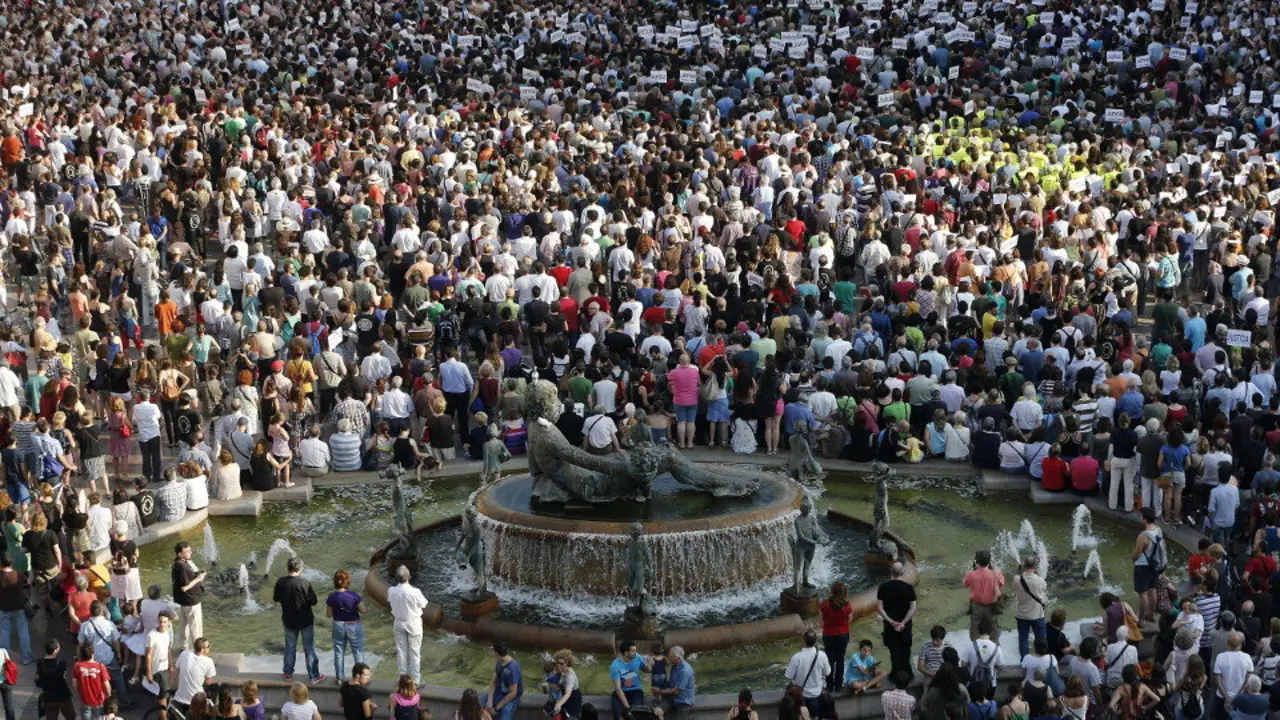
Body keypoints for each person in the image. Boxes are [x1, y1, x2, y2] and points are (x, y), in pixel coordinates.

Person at [273, 558, 323, 684]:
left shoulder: (280, 582)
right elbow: (314, 601)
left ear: (288, 568)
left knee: (290, 647)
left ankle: (288, 673)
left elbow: (276, 598)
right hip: (305, 620)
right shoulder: (304, 583)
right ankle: (313, 675)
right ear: (299, 569)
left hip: (288, 620)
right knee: (309, 648)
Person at [386, 566, 428, 685]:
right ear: (409, 577)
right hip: (413, 622)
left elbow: (388, 600)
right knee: (414, 652)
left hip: (398, 622)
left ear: (396, 578)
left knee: (401, 651)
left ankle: (402, 679)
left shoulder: (391, 590)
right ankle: (415, 681)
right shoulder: (415, 592)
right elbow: (424, 604)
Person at [876, 561, 917, 678]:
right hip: (906, 626)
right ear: (903, 572)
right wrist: (903, 622)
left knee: (894, 651)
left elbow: (879, 608)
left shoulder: (883, 587)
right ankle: (908, 673)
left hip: (890, 626)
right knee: (906, 650)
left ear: (890, 571)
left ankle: (895, 674)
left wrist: (892, 622)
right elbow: (913, 608)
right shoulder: (909, 588)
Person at [326, 570, 367, 683]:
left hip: (338, 625)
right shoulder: (353, 595)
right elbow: (363, 610)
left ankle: (340, 678)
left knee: (339, 652)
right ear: (347, 582)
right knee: (357, 652)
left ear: (335, 582)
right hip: (353, 625)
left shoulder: (332, 597)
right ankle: (360, 678)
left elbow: (329, 614)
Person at [1132, 506, 1167, 624]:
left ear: (1145, 519)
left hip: (1143, 566)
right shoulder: (1158, 529)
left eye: (1141, 516)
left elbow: (1136, 554)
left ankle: (1141, 619)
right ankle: (1151, 614)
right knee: (1152, 589)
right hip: (1155, 565)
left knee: (1142, 593)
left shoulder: (1143, 536)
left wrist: (1132, 558)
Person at [784, 631, 830, 715]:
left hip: (801, 696)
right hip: (816, 695)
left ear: (804, 641)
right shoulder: (822, 655)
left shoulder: (797, 657)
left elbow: (788, 675)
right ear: (815, 641)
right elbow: (827, 672)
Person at [171, 542, 206, 650]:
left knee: (184, 625)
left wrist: (197, 573)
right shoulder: (182, 567)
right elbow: (184, 587)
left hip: (184, 600)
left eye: (190, 550)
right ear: (180, 554)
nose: (190, 552)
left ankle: (184, 646)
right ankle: (199, 649)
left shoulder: (179, 563)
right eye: (187, 551)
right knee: (195, 627)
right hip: (191, 600)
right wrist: (198, 579)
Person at [1013, 555, 1048, 660]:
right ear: (1035, 566)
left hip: (1022, 615)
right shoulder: (1040, 580)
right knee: (1041, 638)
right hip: (1037, 615)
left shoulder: (1016, 579)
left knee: (1023, 639)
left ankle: (1024, 661)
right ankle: (1041, 659)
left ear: (1024, 565)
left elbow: (1015, 588)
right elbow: (1043, 590)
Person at [964, 550, 1005, 640]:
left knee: (975, 626)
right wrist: (993, 569)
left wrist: (974, 569)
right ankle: (994, 645)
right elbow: (1001, 583)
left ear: (977, 561)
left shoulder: (971, 574)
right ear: (989, 561)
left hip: (976, 606)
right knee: (993, 626)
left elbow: (965, 584)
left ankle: (975, 646)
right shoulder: (996, 574)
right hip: (991, 606)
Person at [819, 582, 853, 690]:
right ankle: (839, 685)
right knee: (840, 659)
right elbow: (850, 619)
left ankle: (829, 685)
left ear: (832, 591)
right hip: (843, 634)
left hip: (829, 635)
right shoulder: (847, 605)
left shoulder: (824, 604)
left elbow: (821, 621)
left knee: (829, 660)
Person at [173, 638, 217, 717]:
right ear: (203, 649)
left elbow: (176, 672)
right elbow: (208, 682)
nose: (210, 647)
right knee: (214, 687)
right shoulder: (209, 661)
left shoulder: (184, 653)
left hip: (179, 697)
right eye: (208, 646)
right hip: (196, 700)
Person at [609, 640, 649, 720]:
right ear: (626, 653)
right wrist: (627, 707)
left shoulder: (638, 657)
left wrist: (651, 663)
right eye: (633, 651)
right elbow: (618, 689)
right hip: (620, 691)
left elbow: (646, 669)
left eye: (636, 650)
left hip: (636, 690)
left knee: (638, 712)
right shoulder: (615, 666)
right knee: (618, 714)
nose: (636, 652)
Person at [482, 642, 523, 720]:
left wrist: (497, 708)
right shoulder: (499, 662)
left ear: (496, 653)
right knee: (479, 704)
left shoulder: (513, 668)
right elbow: (493, 682)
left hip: (512, 697)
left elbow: (513, 693)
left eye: (493, 650)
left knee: (505, 713)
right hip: (499, 691)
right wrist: (489, 700)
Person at [652, 646, 694, 720]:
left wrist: (659, 691)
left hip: (683, 701)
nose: (668, 657)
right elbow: (670, 684)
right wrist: (659, 687)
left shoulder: (685, 671)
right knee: (657, 712)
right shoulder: (674, 666)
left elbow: (676, 690)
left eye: (670, 656)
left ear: (676, 657)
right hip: (672, 698)